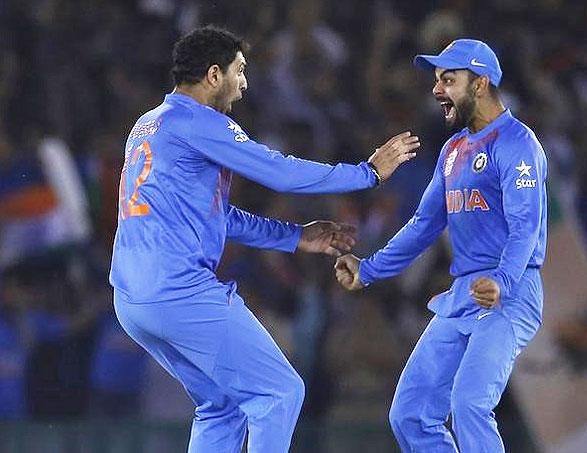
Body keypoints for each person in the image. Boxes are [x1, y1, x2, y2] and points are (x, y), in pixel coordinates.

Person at [109, 26, 419, 453]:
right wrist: (366, 173)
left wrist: (295, 238)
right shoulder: (201, 122)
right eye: (240, 71)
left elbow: (212, 217)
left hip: (131, 299)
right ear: (214, 75)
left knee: (220, 406)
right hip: (178, 291)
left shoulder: (148, 125)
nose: (244, 84)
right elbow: (280, 172)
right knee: (280, 391)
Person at [335, 39, 547, 452]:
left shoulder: (518, 144)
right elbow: (424, 224)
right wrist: (369, 268)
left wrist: (502, 280)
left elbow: (526, 226)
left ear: (481, 83)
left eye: (448, 80)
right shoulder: (453, 151)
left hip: (510, 293)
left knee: (469, 404)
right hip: (463, 294)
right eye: (436, 80)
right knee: (409, 414)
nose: (436, 90)